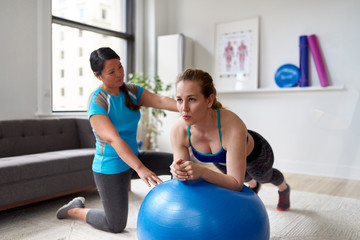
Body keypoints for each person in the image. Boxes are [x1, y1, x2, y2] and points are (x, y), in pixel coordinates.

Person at [56, 47, 177, 233]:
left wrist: (186, 107)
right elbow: (113, 140)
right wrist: (140, 168)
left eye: (120, 67)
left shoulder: (131, 91)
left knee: (176, 163)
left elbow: (160, 101)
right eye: (112, 72)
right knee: (115, 225)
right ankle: (75, 209)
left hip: (133, 157)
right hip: (110, 167)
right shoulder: (98, 101)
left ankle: (178, 208)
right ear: (98, 76)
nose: (119, 74)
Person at [170, 68, 290, 211]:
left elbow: (235, 183)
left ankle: (284, 188)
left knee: (263, 177)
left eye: (191, 99)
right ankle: (253, 185)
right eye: (179, 100)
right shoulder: (179, 130)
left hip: (256, 155)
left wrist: (201, 171)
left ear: (209, 100)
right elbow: (184, 177)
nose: (184, 108)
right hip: (222, 160)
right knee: (245, 178)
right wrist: (177, 170)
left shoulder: (233, 126)